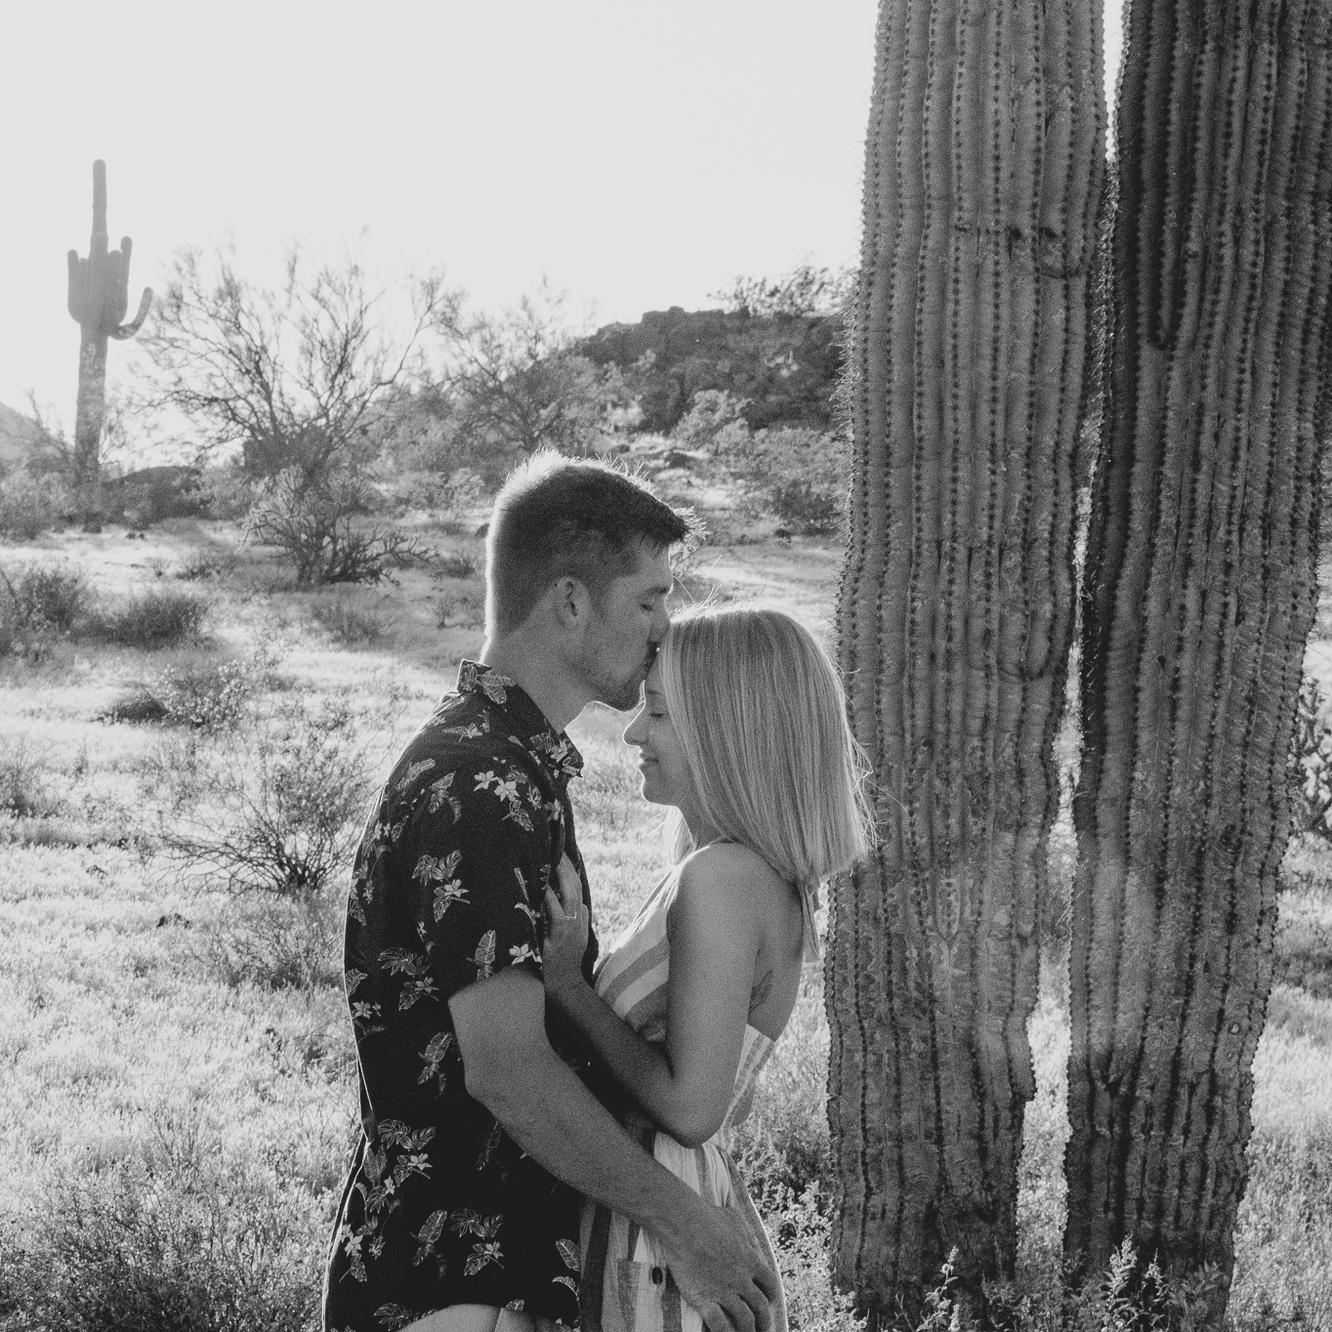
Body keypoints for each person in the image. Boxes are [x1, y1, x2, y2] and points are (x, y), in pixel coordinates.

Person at [323, 453, 780, 1332]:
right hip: (452, 1285)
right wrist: (687, 1225)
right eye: (647, 601)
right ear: (571, 601)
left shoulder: (510, 767)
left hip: (488, 1273)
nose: (664, 629)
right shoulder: (478, 784)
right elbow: (509, 1071)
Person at [540, 605, 874, 1332]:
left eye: (658, 713)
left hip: (661, 1250)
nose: (634, 732)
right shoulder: (749, 876)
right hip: (672, 1217)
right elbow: (729, 1095)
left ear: (727, 731)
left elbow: (693, 1110)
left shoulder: (720, 879)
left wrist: (567, 987)